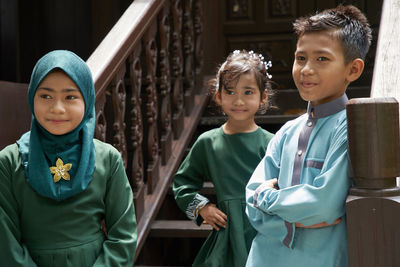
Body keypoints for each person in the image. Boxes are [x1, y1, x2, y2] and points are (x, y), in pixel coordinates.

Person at [245, 4, 372, 267]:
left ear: (354, 69)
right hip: (264, 258)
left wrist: (267, 200)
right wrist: (293, 210)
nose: (306, 70)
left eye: (321, 59)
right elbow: (250, 202)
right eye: (301, 58)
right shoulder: (287, 132)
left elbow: (324, 205)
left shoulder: (349, 129)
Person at [0, 50, 137, 266]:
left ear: (87, 99)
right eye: (45, 96)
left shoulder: (108, 159)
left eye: (70, 97)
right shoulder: (8, 162)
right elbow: (5, 243)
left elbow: (124, 236)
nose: (57, 108)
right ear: (31, 98)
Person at [173, 50, 274, 267]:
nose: (238, 100)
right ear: (218, 95)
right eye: (230, 92)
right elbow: (182, 184)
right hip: (227, 233)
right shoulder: (207, 142)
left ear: (262, 97)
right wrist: (202, 208)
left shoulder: (273, 143)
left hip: (265, 231)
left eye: (248, 92)